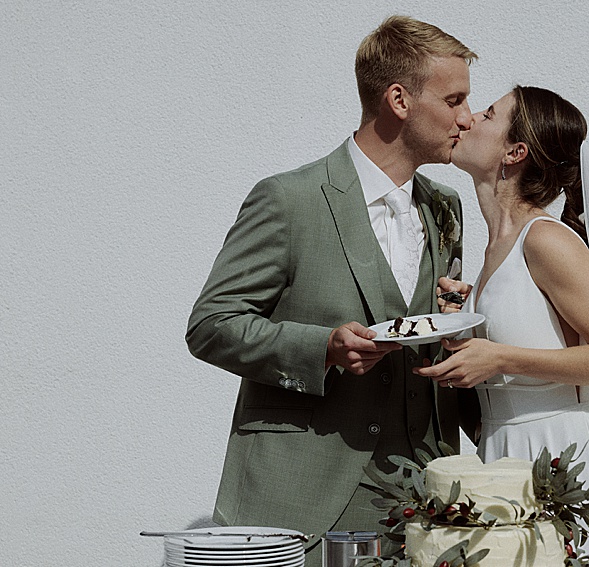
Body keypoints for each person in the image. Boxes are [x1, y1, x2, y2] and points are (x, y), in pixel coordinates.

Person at [185, 16, 480, 565]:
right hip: (310, 496)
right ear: (398, 100)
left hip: (425, 499)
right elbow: (211, 324)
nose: (467, 119)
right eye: (455, 99)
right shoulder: (288, 200)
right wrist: (322, 347)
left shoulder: (446, 207)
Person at [419, 86, 589, 566]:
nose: (468, 120)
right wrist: (460, 337)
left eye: (487, 114)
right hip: (501, 462)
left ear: (515, 153)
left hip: (563, 458)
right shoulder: (493, 251)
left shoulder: (547, 240)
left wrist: (501, 356)